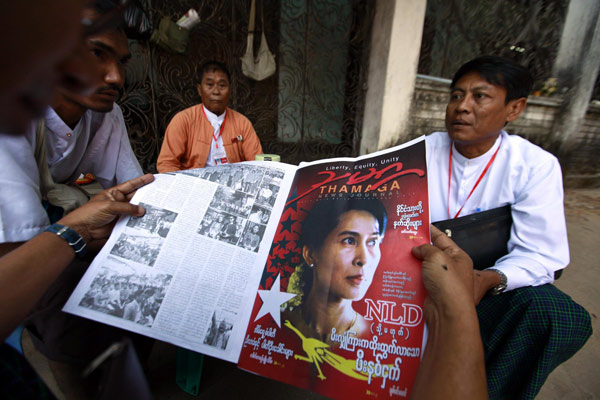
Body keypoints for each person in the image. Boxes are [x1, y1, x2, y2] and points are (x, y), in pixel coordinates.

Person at [425, 55, 592, 399]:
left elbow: (542, 254)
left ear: (514, 108)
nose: (462, 107)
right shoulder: (421, 152)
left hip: (483, 287)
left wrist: (488, 280)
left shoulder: (534, 166)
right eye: (456, 95)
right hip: (421, 279)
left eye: (479, 96)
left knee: (556, 316)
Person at [0, 1, 143, 256]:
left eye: (122, 62)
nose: (116, 78)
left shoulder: (109, 116)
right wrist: (80, 229)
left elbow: (134, 191)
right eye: (97, 53)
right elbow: (17, 250)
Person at [285, 197, 387, 344]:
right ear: (310, 254)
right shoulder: (280, 323)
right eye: (349, 241)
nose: (363, 259)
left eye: (372, 242)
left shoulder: (374, 337)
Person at [156, 60, 264, 172]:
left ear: (230, 91)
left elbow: (257, 162)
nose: (216, 91)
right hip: (194, 185)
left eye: (222, 85)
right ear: (199, 89)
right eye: (209, 85)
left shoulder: (242, 123)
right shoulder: (183, 120)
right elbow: (167, 163)